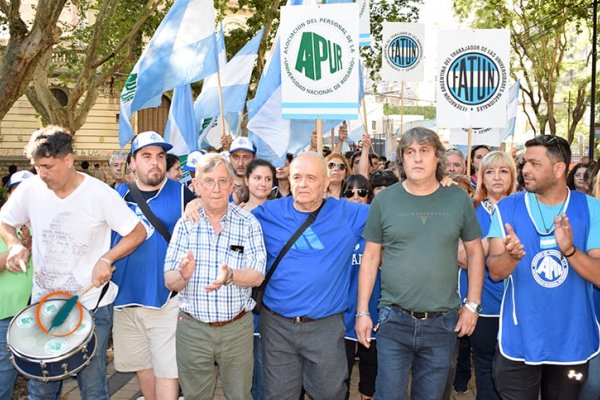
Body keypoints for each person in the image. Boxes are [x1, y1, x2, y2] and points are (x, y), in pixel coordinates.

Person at [0, 126, 146, 400]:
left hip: (91, 305)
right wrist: (15, 244)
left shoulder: (100, 194)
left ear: (68, 160)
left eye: (47, 166)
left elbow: (137, 232)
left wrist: (107, 258)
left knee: (92, 389)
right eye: (37, 167)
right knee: (41, 388)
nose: (41, 174)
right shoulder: (31, 188)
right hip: (44, 307)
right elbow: (5, 220)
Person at [355, 127, 485, 400]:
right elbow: (370, 258)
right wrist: (363, 312)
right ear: (401, 158)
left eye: (424, 151)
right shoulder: (385, 200)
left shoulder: (458, 198)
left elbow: (475, 253)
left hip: (443, 323)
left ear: (437, 157)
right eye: (410, 152)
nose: (416, 158)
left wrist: (472, 305)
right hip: (393, 320)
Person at [487, 135, 600, 399]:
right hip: (520, 339)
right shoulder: (507, 208)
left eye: (535, 164)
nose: (525, 169)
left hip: (572, 339)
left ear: (559, 169)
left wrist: (570, 251)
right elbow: (495, 271)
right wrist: (512, 257)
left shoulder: (591, 209)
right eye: (526, 163)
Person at [252, 152, 369, 400]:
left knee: (330, 394)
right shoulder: (267, 214)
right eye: (297, 177)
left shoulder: (349, 215)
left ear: (327, 182)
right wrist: (197, 204)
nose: (302, 184)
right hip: (277, 327)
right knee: (278, 396)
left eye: (311, 178)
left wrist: (439, 184)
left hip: (325, 327)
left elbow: (391, 213)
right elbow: (228, 220)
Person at [164, 153, 266, 400]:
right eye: (208, 181)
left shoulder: (248, 223)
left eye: (223, 180)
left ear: (233, 185)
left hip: (236, 329)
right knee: (195, 396)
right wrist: (183, 275)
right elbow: (169, 280)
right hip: (193, 330)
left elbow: (258, 275)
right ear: (196, 185)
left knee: (240, 395)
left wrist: (231, 275)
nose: (217, 188)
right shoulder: (185, 224)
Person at [111, 132, 196, 400]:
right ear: (132, 162)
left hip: (166, 298)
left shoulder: (183, 194)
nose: (155, 163)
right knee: (142, 366)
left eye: (160, 156)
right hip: (125, 299)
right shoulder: (117, 195)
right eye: (146, 156)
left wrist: (200, 202)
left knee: (167, 370)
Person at [458, 151, 518, 400]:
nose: (496, 177)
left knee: (514, 371)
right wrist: (493, 239)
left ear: (513, 176)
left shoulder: (526, 207)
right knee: (485, 367)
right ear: (481, 177)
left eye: (503, 171)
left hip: (517, 304)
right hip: (482, 303)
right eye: (490, 171)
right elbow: (462, 257)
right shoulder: (469, 209)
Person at [341, 175, 379, 400]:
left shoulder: (377, 226)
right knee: (340, 372)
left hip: (372, 307)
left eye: (362, 192)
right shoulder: (334, 227)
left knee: (370, 370)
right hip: (342, 310)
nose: (356, 197)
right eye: (349, 192)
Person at [0, 170, 34, 400]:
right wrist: (15, 249)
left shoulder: (49, 224)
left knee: (44, 377)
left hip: (43, 314)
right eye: (16, 192)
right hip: (6, 316)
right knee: (4, 373)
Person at [230, 137, 257, 204]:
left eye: (246, 157)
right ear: (229, 158)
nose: (240, 163)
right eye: (236, 157)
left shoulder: (261, 187)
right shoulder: (220, 187)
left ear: (254, 158)